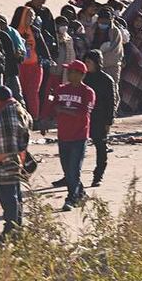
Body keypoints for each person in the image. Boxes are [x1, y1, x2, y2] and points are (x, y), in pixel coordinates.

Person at [42, 59, 95, 211]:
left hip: (79, 136)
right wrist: (45, 120)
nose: (68, 74)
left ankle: (71, 199)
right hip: (63, 136)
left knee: (74, 170)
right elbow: (53, 106)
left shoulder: (88, 92)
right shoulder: (61, 89)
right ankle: (81, 193)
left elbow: (83, 113)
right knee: (68, 170)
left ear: (80, 74)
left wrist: (63, 110)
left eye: (70, 71)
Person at [0, 85, 32, 240]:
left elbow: (7, 146)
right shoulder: (18, 109)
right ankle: (16, 230)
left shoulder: (4, 115)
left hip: (6, 164)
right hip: (17, 162)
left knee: (9, 199)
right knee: (15, 197)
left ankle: (11, 232)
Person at [82, 50, 116, 187]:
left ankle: (98, 175)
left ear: (97, 63)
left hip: (99, 118)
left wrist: (109, 121)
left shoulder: (106, 80)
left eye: (89, 62)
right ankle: (70, 175)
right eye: (85, 62)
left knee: (100, 147)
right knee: (77, 148)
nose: (86, 65)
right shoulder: (82, 78)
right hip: (84, 118)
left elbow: (111, 102)